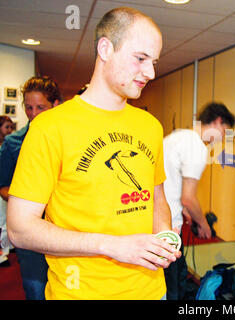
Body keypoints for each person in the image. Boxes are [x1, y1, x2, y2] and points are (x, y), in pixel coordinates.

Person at [7, 7, 180, 300]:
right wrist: (112, 245)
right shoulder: (50, 127)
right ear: (105, 48)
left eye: (154, 62)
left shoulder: (150, 126)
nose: (150, 73)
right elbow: (20, 229)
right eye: (140, 58)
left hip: (151, 291)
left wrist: (164, 233)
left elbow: (156, 197)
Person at [162, 102, 235, 300]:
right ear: (218, 122)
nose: (222, 139)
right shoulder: (197, 146)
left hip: (155, 220)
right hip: (169, 230)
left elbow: (169, 182)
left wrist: (187, 212)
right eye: (225, 132)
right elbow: (188, 198)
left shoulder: (176, 137)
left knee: (163, 286)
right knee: (174, 289)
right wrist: (204, 225)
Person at [0, 77, 61, 295]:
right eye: (28, 107)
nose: (33, 114)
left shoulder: (67, 138)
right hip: (31, 232)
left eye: (40, 107)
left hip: (65, 229)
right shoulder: (13, 143)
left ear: (55, 105)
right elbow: (3, 185)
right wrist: (24, 200)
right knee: (36, 289)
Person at [0, 115, 13, 265]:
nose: (9, 130)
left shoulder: (9, 146)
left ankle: (5, 250)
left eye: (11, 127)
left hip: (6, 189)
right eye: (6, 127)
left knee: (5, 221)